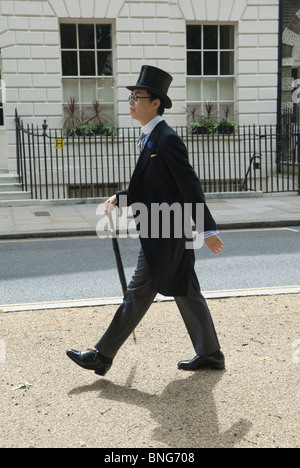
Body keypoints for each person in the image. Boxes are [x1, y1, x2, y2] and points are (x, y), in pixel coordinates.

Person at [67, 66, 225, 376]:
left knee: (138, 293)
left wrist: (207, 229)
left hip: (165, 233)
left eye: (137, 96)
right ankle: (210, 353)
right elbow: (155, 186)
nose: (131, 101)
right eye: (131, 96)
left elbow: (189, 186)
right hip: (168, 230)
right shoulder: (150, 137)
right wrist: (122, 196)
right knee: (185, 289)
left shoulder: (167, 139)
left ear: (155, 102)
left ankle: (102, 355)